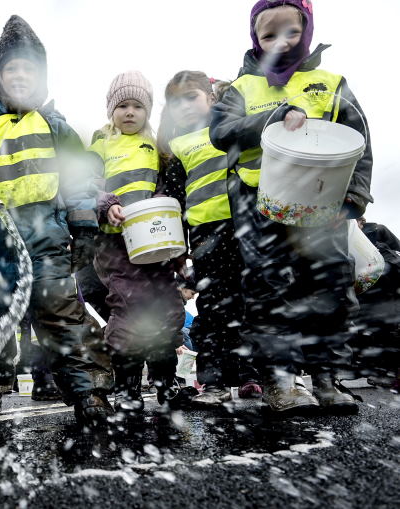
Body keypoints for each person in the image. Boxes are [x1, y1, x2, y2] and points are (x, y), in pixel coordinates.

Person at [0, 15, 114, 427]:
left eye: (29, 68)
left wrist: (84, 225)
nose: (20, 75)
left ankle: (88, 390)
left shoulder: (56, 126)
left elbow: (78, 182)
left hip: (46, 233)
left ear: (43, 77)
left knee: (59, 310)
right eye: (11, 68)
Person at [210, 0, 372, 414]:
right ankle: (279, 382)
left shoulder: (332, 82)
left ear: (308, 31)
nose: (280, 42)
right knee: (267, 291)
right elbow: (220, 132)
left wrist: (354, 197)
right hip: (261, 208)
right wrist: (271, 120)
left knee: (330, 287)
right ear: (254, 38)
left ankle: (325, 378)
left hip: (323, 210)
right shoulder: (241, 88)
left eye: (291, 32)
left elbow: (360, 143)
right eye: (268, 35)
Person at [157, 71, 262, 409]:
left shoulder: (231, 132)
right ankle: (213, 380)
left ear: (211, 98)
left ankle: (249, 375)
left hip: (244, 230)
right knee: (212, 307)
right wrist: (179, 249)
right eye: (176, 102)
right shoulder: (178, 148)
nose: (184, 107)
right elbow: (175, 201)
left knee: (248, 303)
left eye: (192, 97)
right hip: (205, 238)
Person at [89, 70, 189, 419]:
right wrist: (106, 205)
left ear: (148, 111)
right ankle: (127, 385)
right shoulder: (99, 144)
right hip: (117, 248)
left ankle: (165, 380)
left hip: (156, 246)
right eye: (122, 106)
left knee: (167, 311)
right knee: (128, 312)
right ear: (110, 110)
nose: (129, 112)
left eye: (137, 106)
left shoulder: (156, 147)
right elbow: (86, 185)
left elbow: (168, 188)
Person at [351, 218, 400, 391]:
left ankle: (390, 373)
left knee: (391, 330)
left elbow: (397, 249)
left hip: (387, 287)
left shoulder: (377, 230)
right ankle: (379, 372)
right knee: (373, 333)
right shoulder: (340, 238)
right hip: (364, 294)